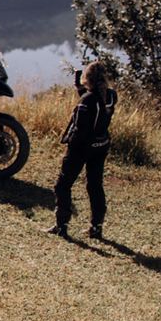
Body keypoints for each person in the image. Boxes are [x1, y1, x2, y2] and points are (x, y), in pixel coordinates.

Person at [49, 60, 117, 240]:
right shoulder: (110, 96)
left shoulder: (87, 101)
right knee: (95, 186)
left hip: (81, 148)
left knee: (63, 185)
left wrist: (69, 145)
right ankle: (96, 227)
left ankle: (61, 225)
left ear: (88, 78)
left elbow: (80, 126)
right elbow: (98, 109)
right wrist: (81, 89)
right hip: (101, 146)